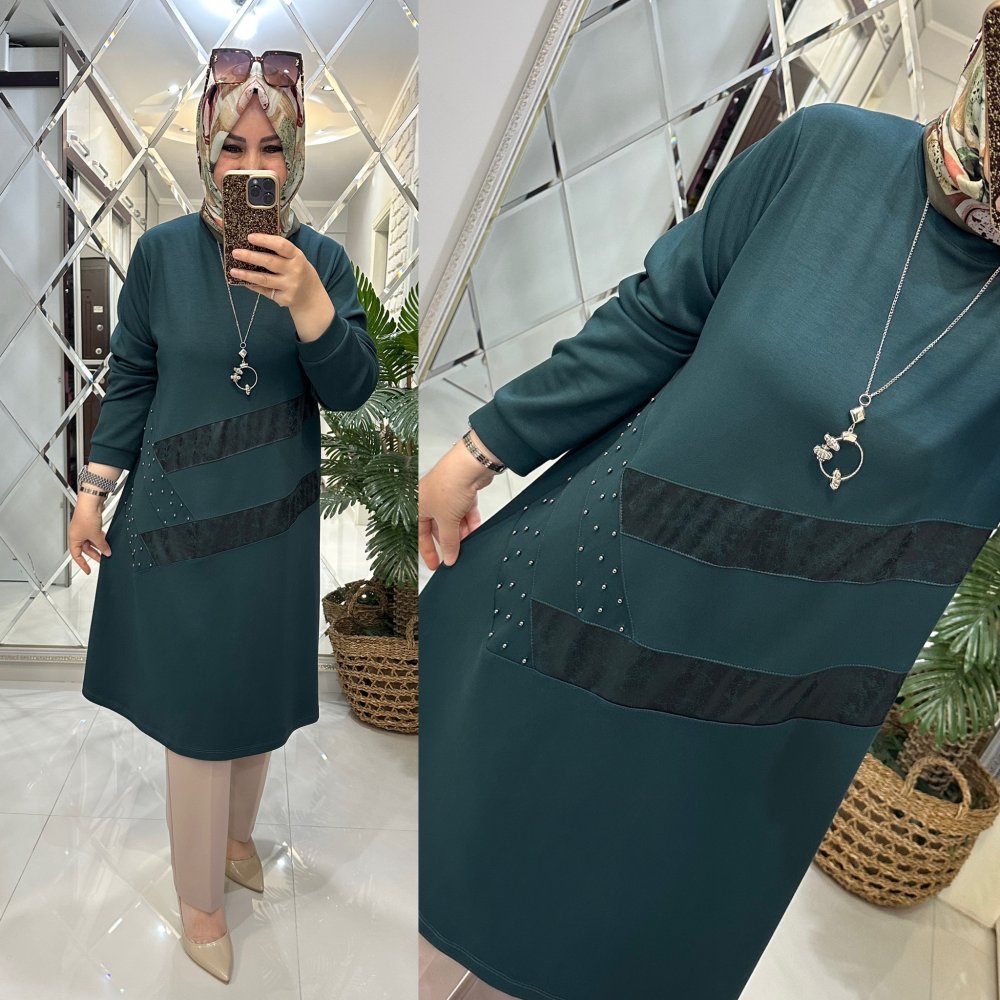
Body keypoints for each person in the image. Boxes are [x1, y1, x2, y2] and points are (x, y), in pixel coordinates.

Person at [417, 20, 1000, 1000]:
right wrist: (482, 449)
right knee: (465, 883)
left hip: (760, 720)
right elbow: (656, 316)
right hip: (599, 596)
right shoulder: (827, 153)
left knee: (585, 946)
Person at [69, 48, 379, 984]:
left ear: (295, 156)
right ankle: (200, 900)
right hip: (175, 525)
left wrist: (313, 307)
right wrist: (93, 490)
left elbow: (353, 391)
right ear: (207, 150)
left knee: (254, 695)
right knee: (199, 715)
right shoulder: (163, 256)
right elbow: (132, 377)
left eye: (272, 149)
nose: (253, 165)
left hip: (275, 525)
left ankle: (238, 843)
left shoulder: (324, 262)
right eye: (235, 146)